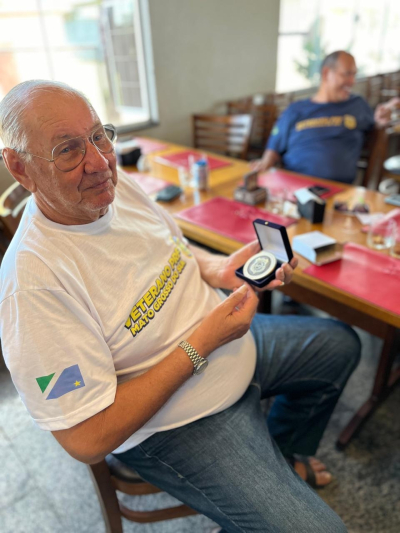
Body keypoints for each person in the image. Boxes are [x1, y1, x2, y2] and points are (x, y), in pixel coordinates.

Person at [0, 80, 361, 533]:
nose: (99, 162)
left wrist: (218, 269)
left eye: (98, 135)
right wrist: (202, 343)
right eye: (68, 149)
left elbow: (176, 247)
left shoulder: (114, 187)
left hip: (228, 343)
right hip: (176, 421)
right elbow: (86, 438)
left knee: (340, 345)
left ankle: (280, 458)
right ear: (20, 168)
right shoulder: (33, 286)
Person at [253, 50, 397, 184]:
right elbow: (274, 147)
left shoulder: (357, 104)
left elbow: (376, 124)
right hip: (293, 185)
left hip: (338, 189)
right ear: (326, 73)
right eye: (347, 74)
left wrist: (383, 117)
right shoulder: (295, 110)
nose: (352, 81)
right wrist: (265, 163)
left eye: (354, 75)